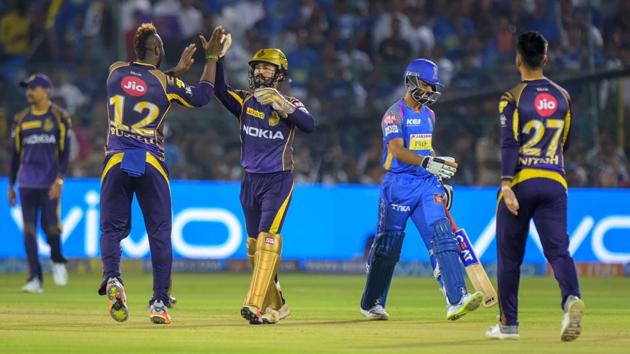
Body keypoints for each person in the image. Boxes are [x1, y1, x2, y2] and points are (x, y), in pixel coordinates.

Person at [98, 23, 225, 325]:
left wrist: (173, 71)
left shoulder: (114, 71)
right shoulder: (166, 83)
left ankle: (113, 277)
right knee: (159, 234)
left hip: (116, 160)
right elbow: (202, 96)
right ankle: (159, 301)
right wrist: (210, 59)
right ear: (157, 51)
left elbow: (140, 82)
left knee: (111, 230)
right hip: (149, 161)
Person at [360, 58, 483, 321]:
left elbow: (425, 149)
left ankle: (456, 298)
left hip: (426, 184)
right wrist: (428, 162)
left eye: (432, 87)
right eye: (425, 85)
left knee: (442, 235)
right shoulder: (394, 113)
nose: (429, 91)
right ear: (411, 81)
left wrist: (439, 166)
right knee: (388, 247)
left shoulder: (430, 114)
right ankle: (372, 303)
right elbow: (397, 150)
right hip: (399, 185)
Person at [486, 31, 584, 341]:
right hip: (554, 180)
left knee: (510, 257)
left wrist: (505, 184)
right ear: (546, 58)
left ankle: (508, 325)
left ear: (517, 59)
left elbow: (509, 142)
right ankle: (571, 299)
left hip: (520, 183)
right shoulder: (563, 96)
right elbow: (565, 140)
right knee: (558, 252)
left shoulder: (512, 97)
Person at [214, 43, 315, 324]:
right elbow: (219, 90)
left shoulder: (291, 103)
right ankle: (278, 306)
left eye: (267, 67)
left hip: (278, 181)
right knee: (253, 247)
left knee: (267, 240)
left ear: (279, 74)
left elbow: (309, 124)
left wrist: (281, 105)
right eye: (257, 66)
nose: (260, 71)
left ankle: (255, 305)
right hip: (249, 181)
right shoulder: (246, 101)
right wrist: (218, 59)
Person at [8, 73, 72, 293]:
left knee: (51, 227)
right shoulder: (21, 119)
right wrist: (11, 185)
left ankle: (57, 259)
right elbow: (15, 154)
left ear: (46, 90)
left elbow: (65, 152)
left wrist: (60, 179)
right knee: (28, 231)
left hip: (49, 183)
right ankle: (35, 277)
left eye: (32, 88)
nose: (29, 92)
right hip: (26, 183)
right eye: (27, 88)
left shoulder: (59, 117)